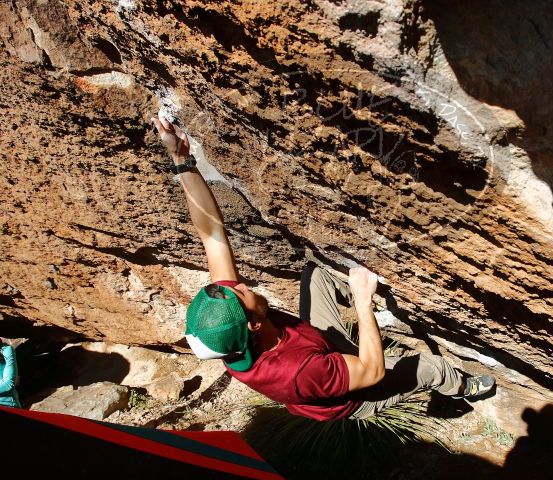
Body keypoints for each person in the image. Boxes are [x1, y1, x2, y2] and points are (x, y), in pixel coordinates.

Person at [152, 116, 495, 421]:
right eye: (239, 293)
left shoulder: (233, 330)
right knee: (429, 367)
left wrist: (182, 160)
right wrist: (362, 303)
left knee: (317, 275)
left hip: (317, 348)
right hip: (356, 393)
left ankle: (381, 304)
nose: (239, 285)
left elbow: (211, 234)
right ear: (254, 324)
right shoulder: (298, 373)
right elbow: (371, 371)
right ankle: (463, 387)